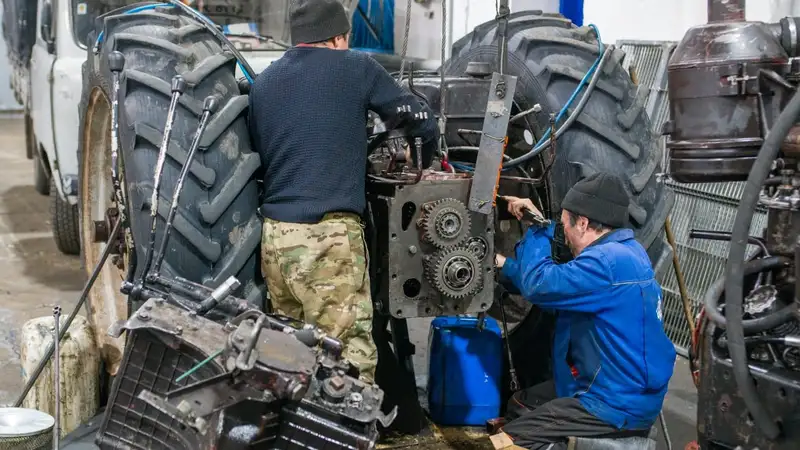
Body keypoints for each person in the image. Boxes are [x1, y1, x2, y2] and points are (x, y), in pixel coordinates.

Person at [248, 0, 439, 383]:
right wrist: (424, 157)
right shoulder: (356, 67)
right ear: (338, 37)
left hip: (274, 241)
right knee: (347, 361)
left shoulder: (264, 82)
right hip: (328, 241)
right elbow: (418, 120)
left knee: (292, 358)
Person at [494, 173, 677, 450]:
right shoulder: (627, 253)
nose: (562, 231)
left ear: (582, 223)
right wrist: (502, 266)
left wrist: (537, 228)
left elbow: (539, 285)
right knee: (521, 403)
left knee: (506, 442)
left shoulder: (607, 262)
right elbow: (558, 290)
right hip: (616, 391)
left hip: (611, 403)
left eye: (564, 223)